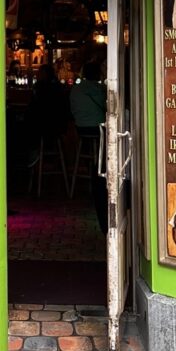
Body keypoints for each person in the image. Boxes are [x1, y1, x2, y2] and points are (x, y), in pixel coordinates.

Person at [70, 61, 108, 233]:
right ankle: (100, 174)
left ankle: (94, 169)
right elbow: (109, 106)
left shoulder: (76, 88)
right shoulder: (99, 89)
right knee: (108, 141)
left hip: (80, 129)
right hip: (98, 130)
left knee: (94, 148)